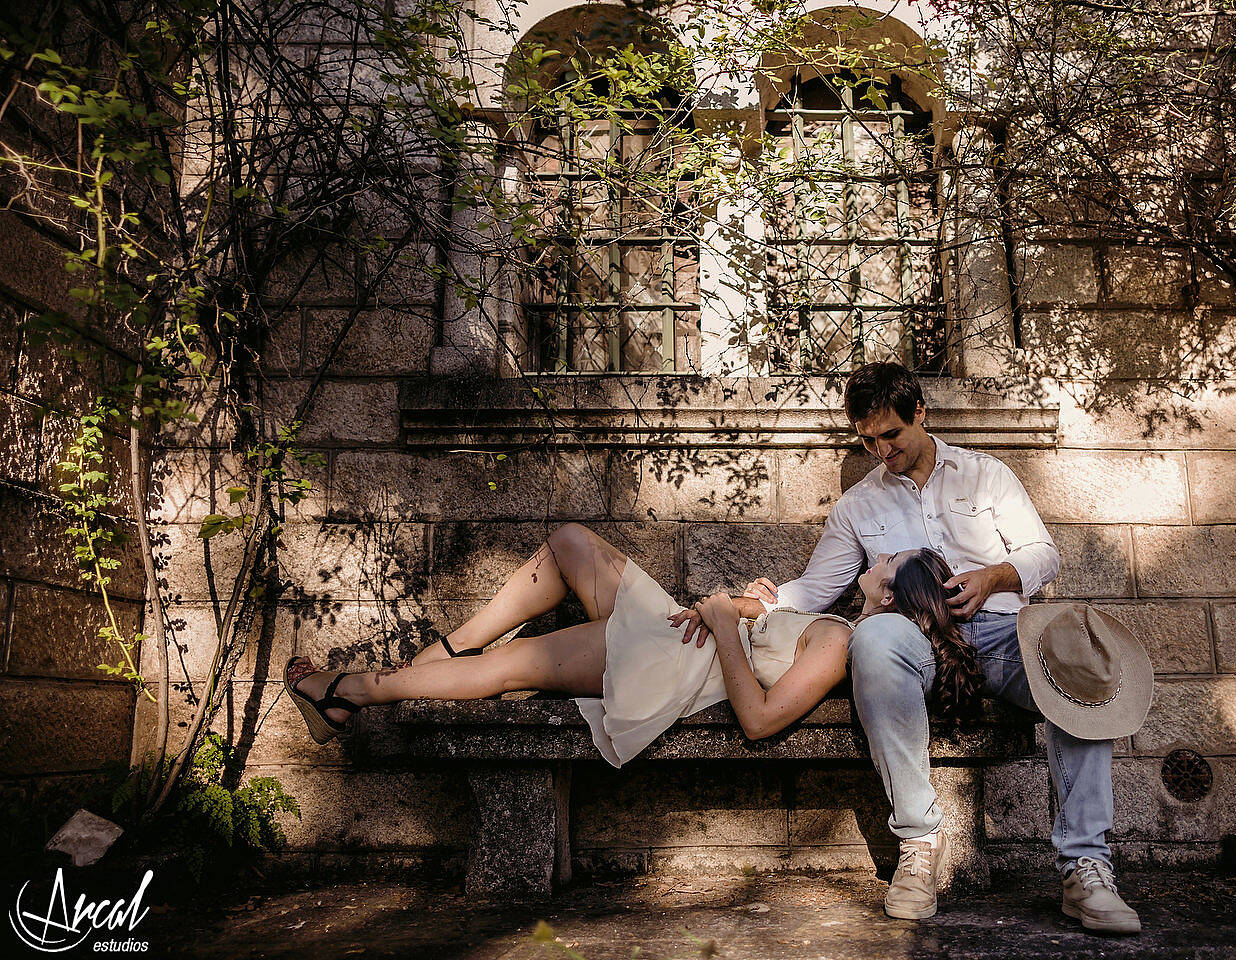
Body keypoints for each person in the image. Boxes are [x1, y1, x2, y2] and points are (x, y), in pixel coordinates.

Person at [716, 361, 1146, 931]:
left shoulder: (985, 475)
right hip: (917, 643)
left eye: (891, 435)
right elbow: (816, 591)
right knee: (871, 636)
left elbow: (1044, 555)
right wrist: (759, 600)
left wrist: (993, 576)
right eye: (867, 440)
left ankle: (1085, 868)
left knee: (1079, 663)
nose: (881, 452)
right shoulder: (858, 506)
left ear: (921, 413)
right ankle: (918, 845)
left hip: (1000, 635)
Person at [283, 523, 983, 773]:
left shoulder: (845, 643)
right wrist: (738, 608)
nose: (881, 554)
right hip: (683, 636)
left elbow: (760, 719)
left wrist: (720, 622)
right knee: (570, 544)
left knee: (509, 670)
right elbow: (760, 626)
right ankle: (436, 658)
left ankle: (350, 690)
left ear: (890, 596)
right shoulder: (833, 623)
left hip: (671, 663)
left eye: (892, 560)